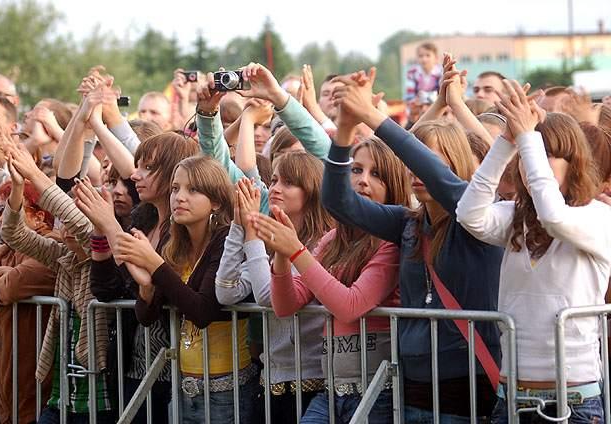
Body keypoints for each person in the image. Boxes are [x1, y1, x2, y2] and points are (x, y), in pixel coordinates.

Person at [323, 68, 503, 421]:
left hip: (468, 387)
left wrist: (374, 116)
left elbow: (437, 177)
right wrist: (345, 129)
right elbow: (337, 201)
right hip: (412, 386)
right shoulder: (408, 223)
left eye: (432, 159)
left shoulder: (478, 218)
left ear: (454, 166)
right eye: (413, 162)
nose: (417, 170)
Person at [456, 80, 609, 422]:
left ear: (575, 162)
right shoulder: (515, 216)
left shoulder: (599, 217)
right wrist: (507, 140)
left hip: (575, 401)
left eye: (548, 154)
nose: (532, 163)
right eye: (527, 157)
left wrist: (529, 138)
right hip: (512, 397)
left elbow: (553, 216)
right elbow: (469, 215)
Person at [251, 137, 411, 423]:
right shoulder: (332, 240)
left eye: (376, 174)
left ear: (394, 185)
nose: (362, 181)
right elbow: (286, 305)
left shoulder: (392, 244)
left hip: (377, 391)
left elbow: (350, 306)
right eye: (356, 170)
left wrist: (296, 250)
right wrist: (282, 253)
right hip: (331, 390)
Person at [117, 155, 258, 423]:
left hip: (227, 390)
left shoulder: (227, 239)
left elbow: (202, 310)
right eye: (175, 188)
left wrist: (154, 264)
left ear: (216, 200)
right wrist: (147, 286)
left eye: (193, 190)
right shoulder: (174, 243)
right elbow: (147, 317)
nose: (179, 197)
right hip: (184, 386)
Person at [80, 132, 199, 424]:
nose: (135, 175)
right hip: (135, 364)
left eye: (148, 168)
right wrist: (100, 231)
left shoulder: (183, 228)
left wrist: (110, 225)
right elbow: (107, 289)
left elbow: (156, 292)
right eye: (138, 166)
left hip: (173, 369)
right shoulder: (142, 219)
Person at [215, 151, 333, 424]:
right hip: (271, 380)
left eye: (288, 183)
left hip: (313, 381)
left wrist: (253, 233)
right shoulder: (267, 245)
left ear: (312, 189)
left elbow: (267, 297)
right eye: (275, 180)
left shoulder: (324, 244)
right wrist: (238, 224)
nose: (276, 189)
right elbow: (226, 291)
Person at [0, 143, 114, 423]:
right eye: (64, 221)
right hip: (61, 396)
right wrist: (18, 187)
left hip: (99, 401)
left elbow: (84, 228)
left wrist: (36, 175)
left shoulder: (102, 254)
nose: (66, 226)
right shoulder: (64, 256)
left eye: (74, 218)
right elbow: (14, 234)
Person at [0, 180, 56, 424]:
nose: (1, 218)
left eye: (10, 211)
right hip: (7, 379)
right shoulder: (4, 250)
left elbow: (12, 288)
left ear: (39, 217)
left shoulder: (50, 245)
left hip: (36, 384)